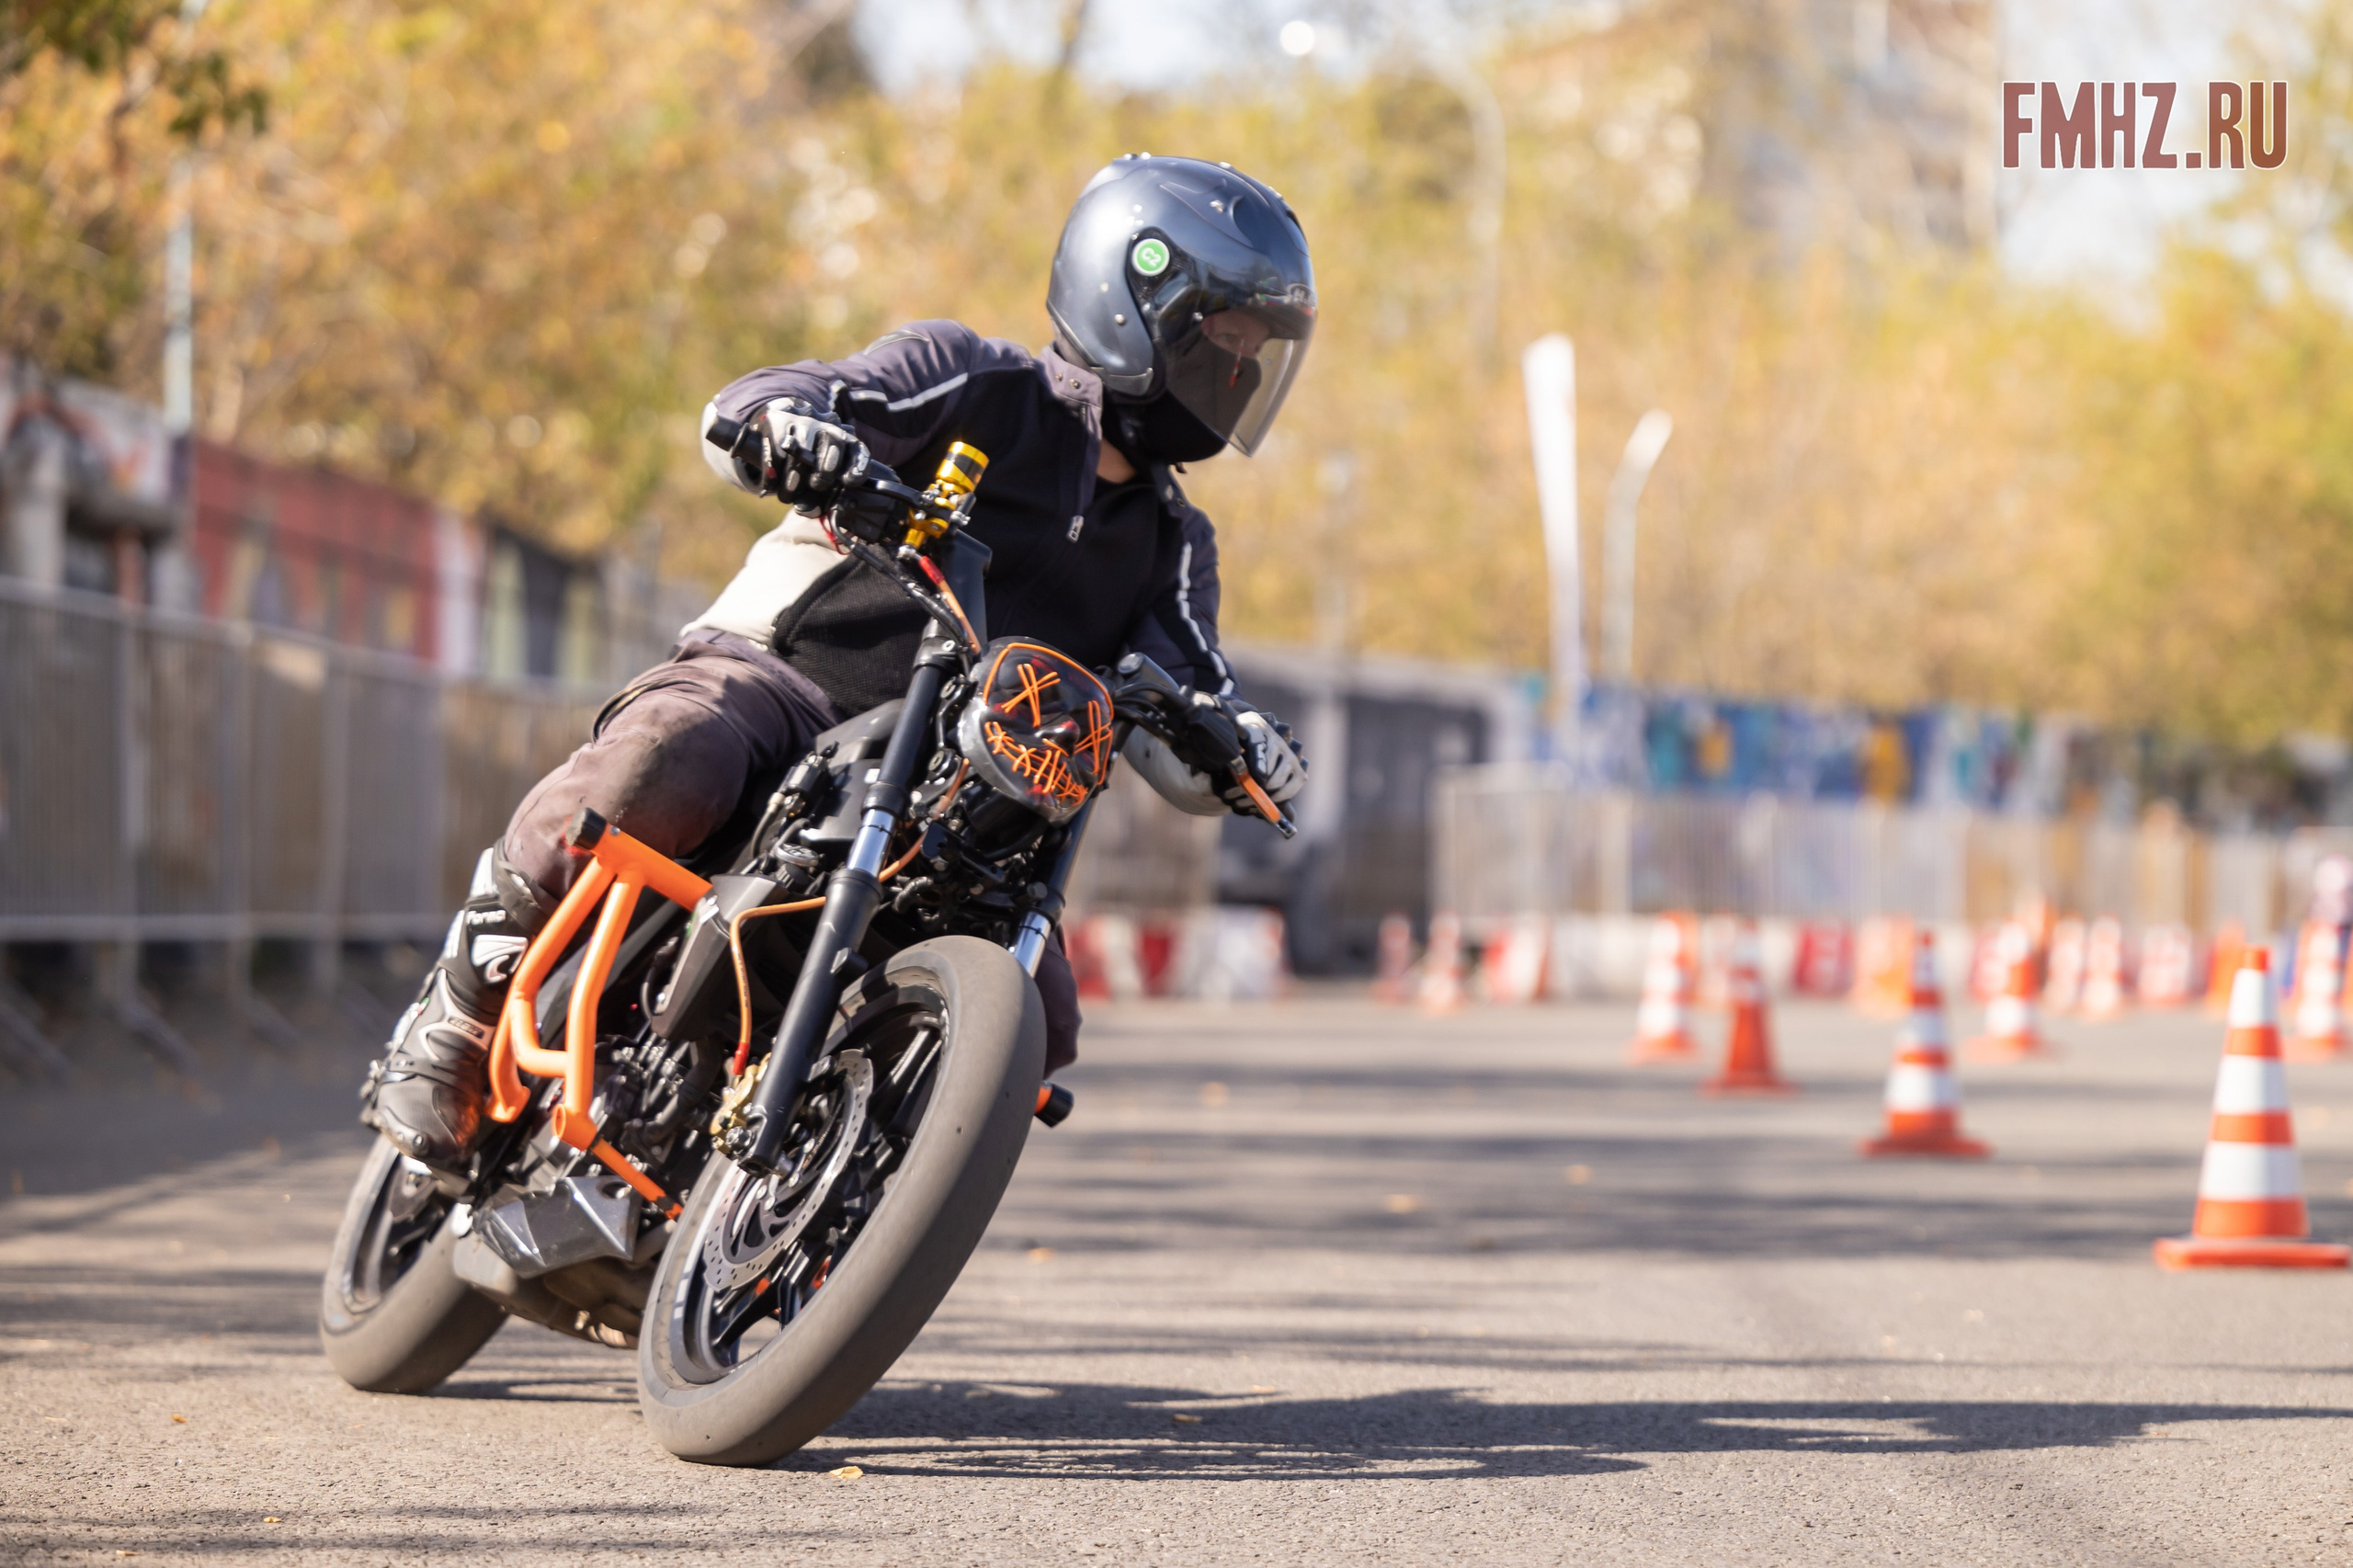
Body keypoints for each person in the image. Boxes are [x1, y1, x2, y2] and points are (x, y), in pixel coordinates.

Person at [362, 154, 1317, 1173]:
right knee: (666, 761)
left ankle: (818, 1202)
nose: (1237, 367)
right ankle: (459, 1009)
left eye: (1255, 350)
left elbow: (1195, 677)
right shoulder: (977, 383)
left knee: (1036, 1020)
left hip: (955, 800)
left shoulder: (1174, 541)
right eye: (1223, 336)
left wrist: (1242, 742)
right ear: (1134, 297)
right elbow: (795, 394)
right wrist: (792, 429)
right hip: (788, 681)